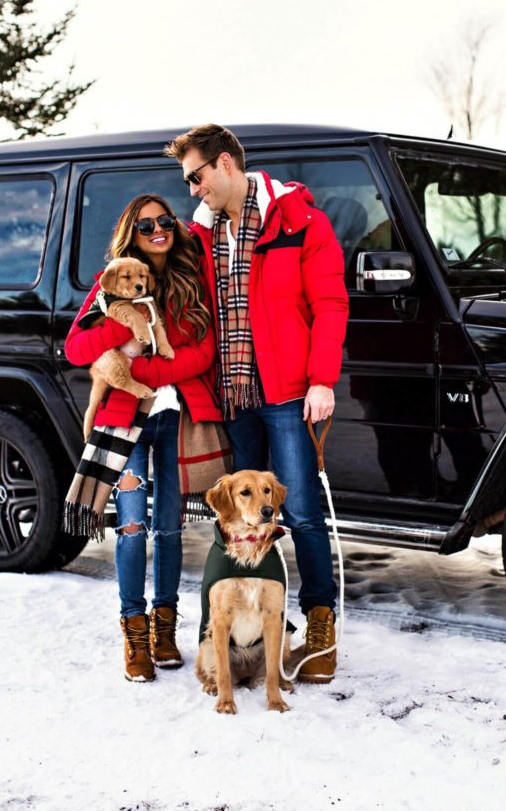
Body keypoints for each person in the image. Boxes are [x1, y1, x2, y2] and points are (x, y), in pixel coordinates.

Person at [165, 125, 349, 683]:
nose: (193, 189)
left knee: (301, 514)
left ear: (225, 164)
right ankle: (247, 619)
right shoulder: (199, 234)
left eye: (197, 176)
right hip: (235, 396)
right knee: (240, 515)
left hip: (290, 394)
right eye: (188, 181)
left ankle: (320, 626)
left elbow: (331, 303)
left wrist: (322, 380)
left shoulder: (299, 221)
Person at [64, 194, 221, 682]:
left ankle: (165, 628)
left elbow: (204, 350)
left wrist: (145, 368)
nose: (159, 229)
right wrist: (120, 327)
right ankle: (133, 635)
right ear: (132, 231)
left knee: (171, 528)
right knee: (131, 525)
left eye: (166, 221)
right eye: (147, 223)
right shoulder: (109, 285)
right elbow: (75, 349)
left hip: (176, 417)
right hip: (123, 421)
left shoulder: (188, 279)